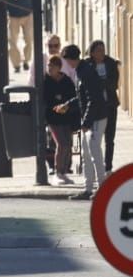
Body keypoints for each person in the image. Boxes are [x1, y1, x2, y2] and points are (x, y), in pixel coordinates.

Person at [72, 44, 111, 201]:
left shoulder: (85, 72)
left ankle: (102, 188)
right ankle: (88, 188)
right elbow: (83, 97)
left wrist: (87, 121)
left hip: (96, 117)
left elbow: (92, 99)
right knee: (86, 155)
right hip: (91, 116)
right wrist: (68, 104)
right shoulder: (82, 70)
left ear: (70, 60)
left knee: (95, 153)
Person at [42, 55, 79, 187]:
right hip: (53, 118)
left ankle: (64, 172)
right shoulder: (45, 81)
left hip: (66, 117)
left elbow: (73, 97)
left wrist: (65, 106)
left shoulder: (66, 81)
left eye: (52, 66)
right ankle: (57, 173)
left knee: (68, 145)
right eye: (48, 66)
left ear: (59, 67)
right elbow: (46, 99)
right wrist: (56, 105)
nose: (49, 68)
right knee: (61, 144)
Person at [89, 41, 121, 170]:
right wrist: (101, 82)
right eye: (98, 50)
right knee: (95, 140)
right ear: (92, 52)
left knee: (110, 138)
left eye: (103, 50)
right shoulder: (88, 64)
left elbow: (113, 84)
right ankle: (97, 167)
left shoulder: (111, 63)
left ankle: (108, 167)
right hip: (95, 107)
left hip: (110, 105)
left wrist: (100, 83)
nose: (101, 53)